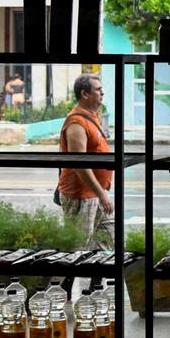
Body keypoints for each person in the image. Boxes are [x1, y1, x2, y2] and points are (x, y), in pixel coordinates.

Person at [58, 73, 114, 250]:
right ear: (85, 94)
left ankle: (103, 277)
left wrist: (101, 192)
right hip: (81, 196)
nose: (102, 93)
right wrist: (101, 193)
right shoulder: (76, 122)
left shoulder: (92, 117)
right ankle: (73, 278)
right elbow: (79, 163)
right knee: (78, 248)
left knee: (109, 243)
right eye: (98, 90)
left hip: (96, 194)